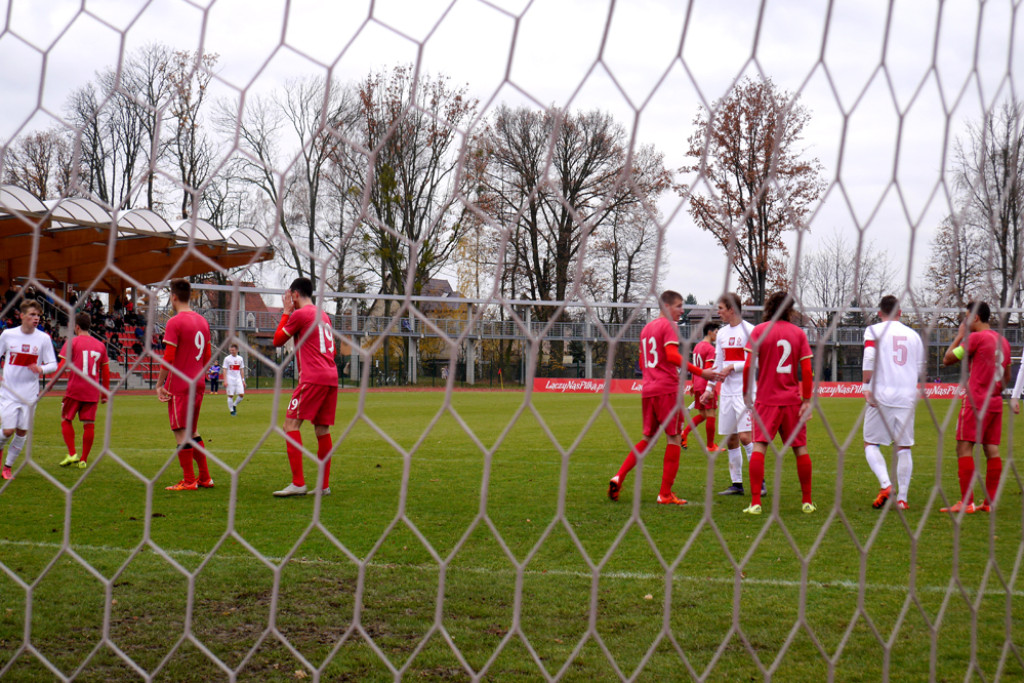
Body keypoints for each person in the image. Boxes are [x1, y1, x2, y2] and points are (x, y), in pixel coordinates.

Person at [608, 290, 722, 505]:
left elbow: (642, 363)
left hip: (648, 389)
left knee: (647, 439)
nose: (682, 310)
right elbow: (671, 356)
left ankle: (619, 476)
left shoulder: (646, 329)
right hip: (667, 390)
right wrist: (701, 372)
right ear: (667, 306)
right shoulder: (669, 325)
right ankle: (665, 494)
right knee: (674, 438)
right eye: (679, 306)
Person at [740, 291, 815, 515]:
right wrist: (807, 399)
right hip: (792, 401)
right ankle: (807, 501)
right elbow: (808, 369)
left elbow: (747, 367)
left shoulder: (760, 331)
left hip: (766, 401)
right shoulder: (798, 333)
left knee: (760, 447)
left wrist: (746, 393)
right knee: (800, 449)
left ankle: (755, 503)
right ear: (790, 310)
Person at [272, 277, 338, 497]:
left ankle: (298, 483)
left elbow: (277, 340)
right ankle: (323, 485)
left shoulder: (300, 314)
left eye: (289, 295)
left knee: (290, 424)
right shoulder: (324, 315)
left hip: (313, 377)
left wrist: (286, 311)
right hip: (330, 376)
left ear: (295, 294)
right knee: (322, 429)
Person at [941, 301, 1010, 513]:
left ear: (976, 318)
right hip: (995, 401)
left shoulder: (976, 338)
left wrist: (960, 336)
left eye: (967, 317)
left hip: (976, 400)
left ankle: (967, 502)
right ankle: (988, 503)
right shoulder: (1004, 342)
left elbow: (947, 359)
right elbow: (1006, 377)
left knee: (963, 446)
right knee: (991, 449)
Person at [861, 295, 925, 510]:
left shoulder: (874, 330)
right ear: (900, 312)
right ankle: (902, 499)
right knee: (904, 447)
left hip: (881, 395)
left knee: (870, 443)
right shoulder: (914, 336)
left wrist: (865, 386)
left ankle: (886, 484)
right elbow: (919, 368)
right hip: (906, 396)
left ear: (880, 313)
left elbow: (869, 356)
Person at [702, 293, 765, 497]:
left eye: (720, 308)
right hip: (727, 393)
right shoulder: (721, 334)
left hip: (745, 392)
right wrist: (709, 389)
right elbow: (718, 364)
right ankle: (736, 484)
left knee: (746, 437)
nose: (718, 312)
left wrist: (732, 367)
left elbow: (754, 361)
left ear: (731, 309)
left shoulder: (750, 330)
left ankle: (759, 482)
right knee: (730, 439)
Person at [157, 279, 214, 491]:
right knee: (192, 430)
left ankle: (189, 480)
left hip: (179, 383)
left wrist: (159, 383)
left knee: (180, 431)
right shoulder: (202, 322)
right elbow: (207, 356)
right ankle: (205, 478)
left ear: (173, 297)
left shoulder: (174, 322)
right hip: (198, 382)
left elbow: (169, 356)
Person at [0, 299, 59, 480]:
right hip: (9, 391)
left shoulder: (43, 338)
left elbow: (53, 364)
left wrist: (41, 368)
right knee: (8, 431)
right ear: (22, 316)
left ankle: (7, 467)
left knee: (22, 431)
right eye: (32, 314)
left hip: (30, 394)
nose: (36, 318)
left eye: (38, 315)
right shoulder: (8, 335)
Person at [55, 313, 110, 469]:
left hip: (75, 388)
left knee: (66, 419)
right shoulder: (100, 345)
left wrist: (49, 381)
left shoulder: (72, 342)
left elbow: (62, 366)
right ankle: (84, 460)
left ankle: (72, 453)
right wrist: (105, 394)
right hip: (92, 391)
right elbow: (105, 372)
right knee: (89, 424)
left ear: (76, 327)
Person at [681, 321, 719, 451]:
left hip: (697, 384)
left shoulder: (697, 347)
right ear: (710, 332)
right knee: (711, 414)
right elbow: (708, 369)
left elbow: (695, 368)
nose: (717, 335)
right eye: (716, 332)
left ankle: (684, 433)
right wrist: (711, 388)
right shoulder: (710, 349)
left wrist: (692, 384)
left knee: (703, 414)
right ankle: (710, 446)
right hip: (705, 385)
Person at [223, 344, 246, 416]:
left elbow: (241, 369)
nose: (232, 351)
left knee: (241, 395)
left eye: (233, 350)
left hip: (238, 379)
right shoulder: (227, 359)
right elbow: (224, 369)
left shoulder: (240, 358)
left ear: (237, 350)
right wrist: (225, 380)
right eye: (231, 350)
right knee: (230, 395)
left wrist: (243, 380)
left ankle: (234, 405)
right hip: (230, 379)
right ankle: (232, 411)